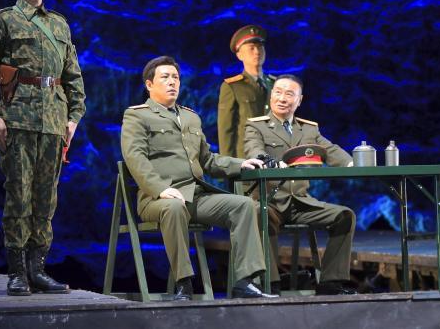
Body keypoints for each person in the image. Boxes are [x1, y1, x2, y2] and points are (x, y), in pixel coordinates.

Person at [0, 0, 86, 295]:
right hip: (17, 117)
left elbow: (73, 76)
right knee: (19, 195)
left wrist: (73, 118)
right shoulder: (4, 20)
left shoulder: (59, 24)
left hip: (53, 121)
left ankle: (38, 269)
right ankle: (18, 271)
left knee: (46, 198)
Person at [120, 56, 278, 300]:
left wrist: (240, 164)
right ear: (149, 84)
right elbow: (135, 158)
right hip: (156, 199)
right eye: (165, 77)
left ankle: (244, 281)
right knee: (174, 207)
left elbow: (207, 160)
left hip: (194, 195)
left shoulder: (190, 117)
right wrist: (160, 189)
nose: (172, 82)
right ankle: (184, 283)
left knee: (244, 205)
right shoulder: (137, 116)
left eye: (175, 77)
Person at [244, 74, 357, 295]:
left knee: (345, 216)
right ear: (271, 95)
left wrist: (354, 163)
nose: (282, 98)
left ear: (299, 100)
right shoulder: (256, 126)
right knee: (258, 213)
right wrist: (269, 161)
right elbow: (254, 149)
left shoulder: (308, 129)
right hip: (271, 201)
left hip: (301, 203)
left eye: (289, 94)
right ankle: (271, 283)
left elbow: (330, 150)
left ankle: (330, 282)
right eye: (278, 92)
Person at [218, 24, 276, 158]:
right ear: (239, 55)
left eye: (260, 47)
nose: (257, 52)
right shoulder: (232, 87)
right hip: (247, 160)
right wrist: (229, 165)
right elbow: (226, 131)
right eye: (251, 48)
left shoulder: (276, 84)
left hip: (275, 159)